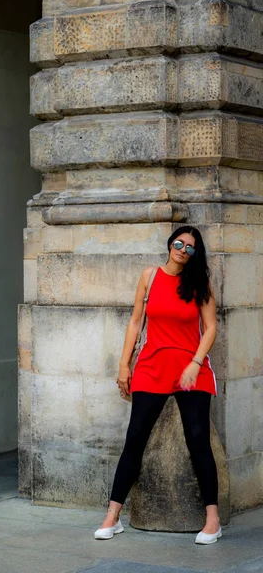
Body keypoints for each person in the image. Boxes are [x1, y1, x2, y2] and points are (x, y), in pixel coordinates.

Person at [94, 226, 221, 545]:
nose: (183, 249)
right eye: (179, 243)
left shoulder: (199, 284)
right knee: (134, 439)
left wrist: (195, 362)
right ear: (169, 245)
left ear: (195, 254)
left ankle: (213, 520)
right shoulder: (150, 276)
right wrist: (124, 365)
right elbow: (136, 321)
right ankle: (113, 516)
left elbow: (210, 328)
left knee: (198, 440)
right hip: (152, 367)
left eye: (190, 247)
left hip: (192, 370)